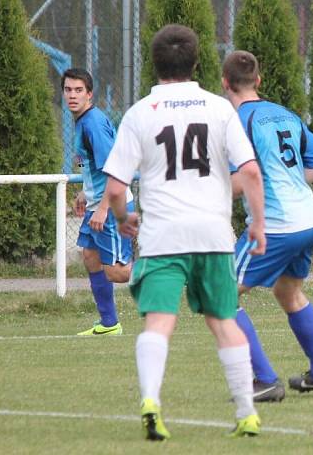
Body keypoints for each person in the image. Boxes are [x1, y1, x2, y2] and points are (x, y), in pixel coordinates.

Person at [103, 24, 267, 441]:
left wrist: (122, 218)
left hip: (162, 237)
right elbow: (249, 171)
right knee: (224, 321)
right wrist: (258, 223)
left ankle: (151, 401)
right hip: (212, 234)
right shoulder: (219, 108)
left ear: (153, 64)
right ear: (197, 63)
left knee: (159, 322)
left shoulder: (140, 113)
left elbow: (115, 188)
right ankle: (247, 413)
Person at [223, 50, 313, 401]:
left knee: (222, 295)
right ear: (258, 81)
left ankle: (264, 380)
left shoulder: (237, 121)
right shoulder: (284, 114)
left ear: (225, 83)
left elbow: (244, 181)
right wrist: (292, 182)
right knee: (288, 292)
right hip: (308, 219)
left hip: (275, 225)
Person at [62, 68, 134, 336]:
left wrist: (103, 208)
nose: (72, 95)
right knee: (91, 256)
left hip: (112, 206)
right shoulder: (82, 121)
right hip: (98, 203)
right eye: (68, 90)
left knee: (119, 273)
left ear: (89, 94)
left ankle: (171, 268)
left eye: (78, 90)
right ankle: (108, 324)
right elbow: (92, 166)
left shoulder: (92, 123)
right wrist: (85, 192)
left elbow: (114, 169)